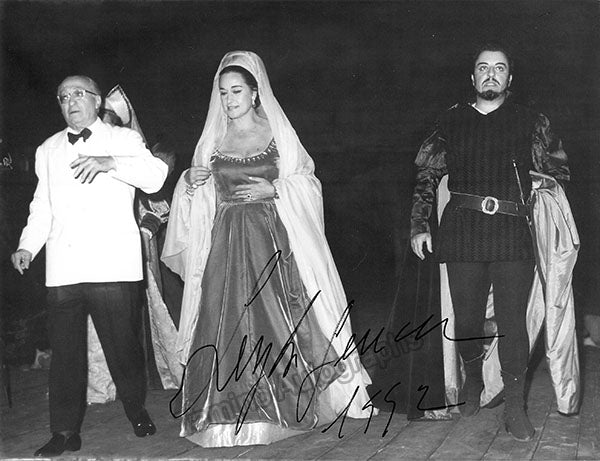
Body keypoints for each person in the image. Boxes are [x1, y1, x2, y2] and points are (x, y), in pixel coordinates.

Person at [162, 51, 375, 447]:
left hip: (270, 240)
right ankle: (223, 414)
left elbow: (308, 182)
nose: (229, 100)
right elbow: (203, 195)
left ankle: (283, 405)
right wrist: (189, 183)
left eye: (236, 91)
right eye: (223, 92)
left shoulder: (278, 135)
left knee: (278, 319)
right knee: (223, 321)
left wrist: (275, 188)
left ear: (255, 92)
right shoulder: (212, 140)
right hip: (225, 245)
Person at [410, 44, 570, 441]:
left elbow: (558, 170)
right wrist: (419, 225)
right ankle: (474, 379)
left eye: (499, 68)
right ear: (473, 77)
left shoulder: (530, 120)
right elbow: (427, 176)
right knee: (467, 321)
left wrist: (542, 183)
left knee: (513, 322)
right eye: (483, 68)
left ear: (509, 78)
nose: (491, 74)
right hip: (462, 229)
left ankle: (515, 406)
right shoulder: (450, 120)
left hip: (512, 230)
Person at [10, 75, 168, 456]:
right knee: (65, 353)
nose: (70, 101)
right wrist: (27, 245)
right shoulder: (48, 149)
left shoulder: (123, 139)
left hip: (111, 263)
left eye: (78, 94)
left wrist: (110, 162)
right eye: (63, 97)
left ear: (97, 101)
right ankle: (64, 431)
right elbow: (42, 205)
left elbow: (155, 177)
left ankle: (135, 409)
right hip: (64, 265)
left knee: (122, 347)